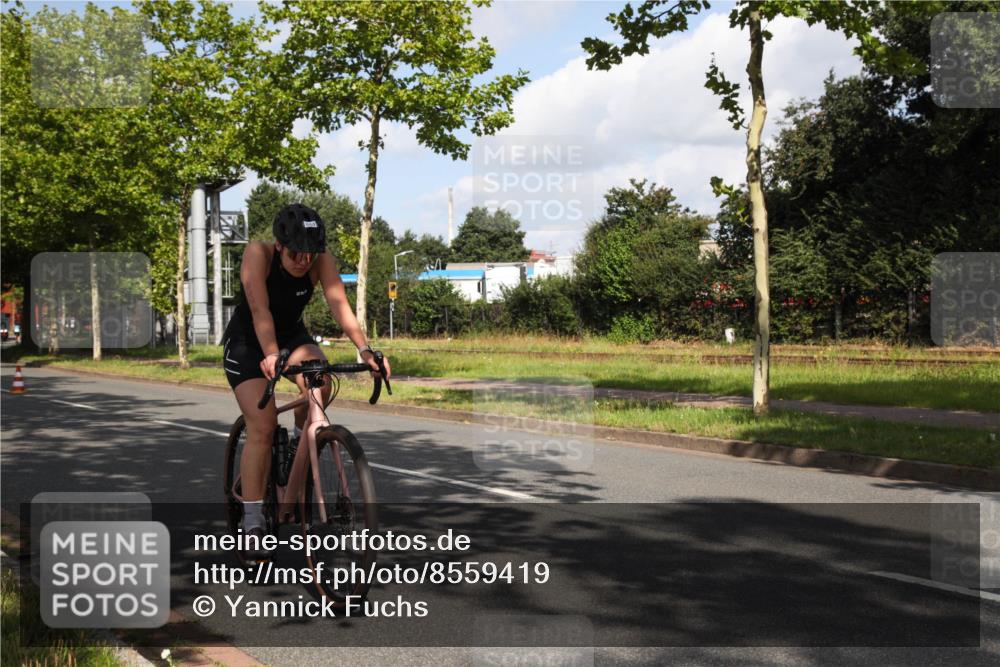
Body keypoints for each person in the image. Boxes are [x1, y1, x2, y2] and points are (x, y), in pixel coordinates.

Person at [221, 203, 390, 548]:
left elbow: (339, 305)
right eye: (295, 253)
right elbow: (259, 309)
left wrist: (365, 350)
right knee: (263, 425)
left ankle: (301, 447)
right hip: (248, 342)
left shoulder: (319, 259)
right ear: (279, 245)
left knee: (321, 380)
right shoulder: (258, 254)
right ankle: (252, 524)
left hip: (291, 337)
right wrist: (270, 354)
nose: (303, 261)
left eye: (309, 254)